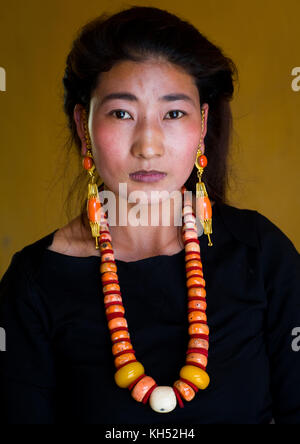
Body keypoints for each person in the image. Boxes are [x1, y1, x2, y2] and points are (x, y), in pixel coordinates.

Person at [0, 5, 300, 425]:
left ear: (202, 123)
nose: (148, 144)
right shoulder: (32, 284)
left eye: (173, 113)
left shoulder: (262, 253)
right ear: (83, 125)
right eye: (121, 113)